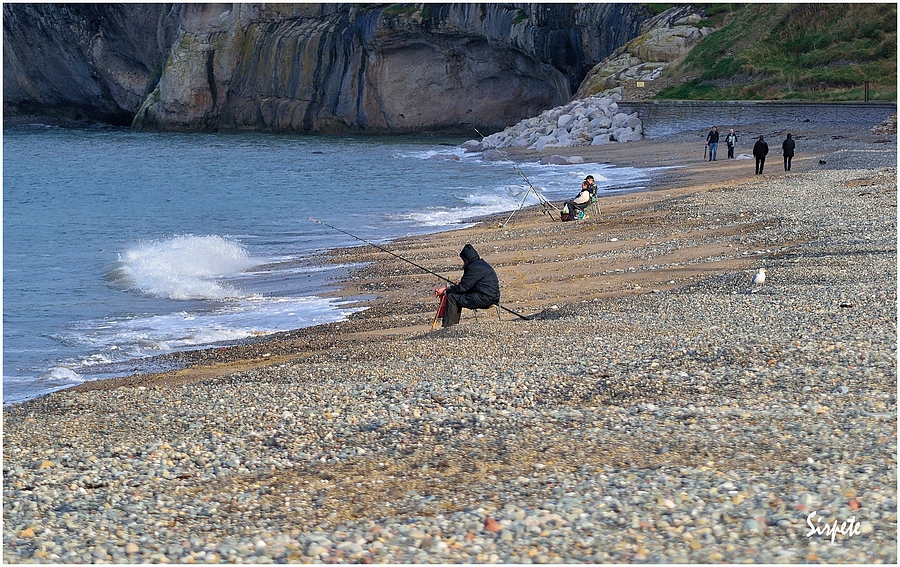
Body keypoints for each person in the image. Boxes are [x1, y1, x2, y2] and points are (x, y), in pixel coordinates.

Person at [434, 244, 500, 328]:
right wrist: (451, 288)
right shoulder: (481, 264)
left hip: (485, 298)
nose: (463, 263)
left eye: (463, 260)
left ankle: (449, 327)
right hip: (493, 297)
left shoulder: (473, 267)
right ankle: (452, 326)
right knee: (455, 295)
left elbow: (462, 288)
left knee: (452, 297)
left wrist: (445, 291)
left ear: (466, 259)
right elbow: (467, 285)